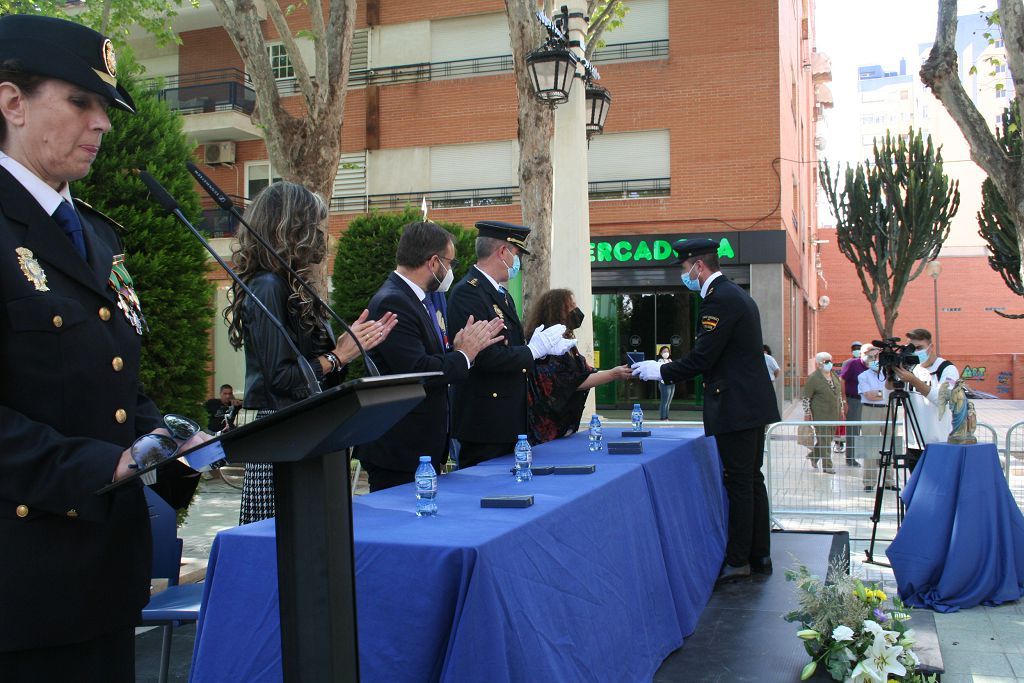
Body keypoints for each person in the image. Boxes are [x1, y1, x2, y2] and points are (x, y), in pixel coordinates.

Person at [0, 15, 206, 678]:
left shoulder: (96, 234)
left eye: (106, 108)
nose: (103, 124)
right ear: (11, 102)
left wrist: (168, 445)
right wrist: (103, 464)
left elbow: (117, 382)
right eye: (81, 102)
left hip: (104, 584)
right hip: (21, 594)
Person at [224, 181, 396, 523]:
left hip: (311, 433)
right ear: (291, 230)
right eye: (315, 229)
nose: (322, 238)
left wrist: (348, 349)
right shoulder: (267, 286)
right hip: (284, 439)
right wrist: (338, 356)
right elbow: (280, 378)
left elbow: (320, 373)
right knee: (281, 555)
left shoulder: (293, 286)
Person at [631, 238, 780, 585]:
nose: (684, 276)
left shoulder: (719, 301)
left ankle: (739, 559)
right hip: (750, 404)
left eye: (685, 269)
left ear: (698, 266)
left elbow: (703, 358)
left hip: (735, 406)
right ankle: (760, 554)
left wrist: (660, 371)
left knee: (739, 483)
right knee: (752, 480)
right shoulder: (736, 294)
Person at [354, 221, 504, 491]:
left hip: (417, 448)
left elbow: (427, 357)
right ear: (434, 262)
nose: (451, 271)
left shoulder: (421, 298)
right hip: (400, 450)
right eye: (451, 263)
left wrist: (455, 348)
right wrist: (463, 354)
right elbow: (419, 371)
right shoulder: (394, 300)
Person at [447, 220, 576, 467]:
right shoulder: (469, 293)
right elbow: (484, 357)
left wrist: (538, 351)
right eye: (516, 253)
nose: (518, 261)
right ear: (503, 252)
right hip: (485, 422)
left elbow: (511, 347)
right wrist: (532, 351)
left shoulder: (501, 294)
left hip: (508, 418)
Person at [524, 288, 632, 444]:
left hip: (562, 425)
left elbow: (583, 374)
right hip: (545, 427)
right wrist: (614, 374)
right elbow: (571, 381)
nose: (576, 310)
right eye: (571, 305)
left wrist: (618, 371)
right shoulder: (546, 343)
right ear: (556, 310)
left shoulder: (566, 341)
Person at [889, 328, 958, 472]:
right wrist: (890, 370)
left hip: (939, 441)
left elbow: (942, 399)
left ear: (931, 347)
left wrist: (913, 380)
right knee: (916, 489)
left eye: (919, 347)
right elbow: (887, 390)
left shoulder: (946, 369)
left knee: (937, 488)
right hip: (913, 443)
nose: (915, 352)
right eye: (911, 348)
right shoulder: (910, 369)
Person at [856, 344, 894, 491]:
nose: (874, 360)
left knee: (889, 445)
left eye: (876, 357)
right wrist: (883, 393)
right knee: (870, 445)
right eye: (871, 357)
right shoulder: (863, 376)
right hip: (870, 410)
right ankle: (869, 481)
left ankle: (889, 481)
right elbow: (869, 395)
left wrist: (880, 393)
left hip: (887, 410)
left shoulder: (889, 375)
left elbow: (892, 392)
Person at [802, 352, 844, 474]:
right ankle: (828, 465)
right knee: (824, 439)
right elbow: (806, 397)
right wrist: (807, 413)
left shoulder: (834, 375)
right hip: (821, 413)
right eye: (826, 361)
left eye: (830, 360)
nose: (830, 363)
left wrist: (841, 409)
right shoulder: (814, 378)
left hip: (834, 413)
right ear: (819, 363)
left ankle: (813, 456)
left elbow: (839, 394)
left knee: (826, 439)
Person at [838, 341, 866, 468]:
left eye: (858, 348)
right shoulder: (849, 363)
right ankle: (851, 457)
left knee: (865, 429)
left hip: (868, 400)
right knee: (853, 430)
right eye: (855, 349)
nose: (857, 351)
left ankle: (869, 456)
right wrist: (844, 400)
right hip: (853, 399)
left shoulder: (870, 364)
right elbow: (842, 380)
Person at [656, 345, 676, 420]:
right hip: (664, 382)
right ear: (661, 353)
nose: (666, 353)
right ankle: (662, 417)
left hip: (672, 382)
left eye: (667, 351)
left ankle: (667, 416)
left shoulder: (670, 361)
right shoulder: (660, 361)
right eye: (664, 351)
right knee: (664, 400)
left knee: (669, 401)